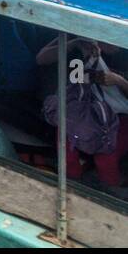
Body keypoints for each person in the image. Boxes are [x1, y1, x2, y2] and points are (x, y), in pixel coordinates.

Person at [37, 37, 128, 193]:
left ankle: (111, 189)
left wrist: (119, 81)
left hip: (120, 112)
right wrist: (75, 45)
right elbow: (42, 59)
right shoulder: (81, 42)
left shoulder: (123, 53)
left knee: (106, 151)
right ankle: (70, 182)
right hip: (86, 106)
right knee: (67, 130)